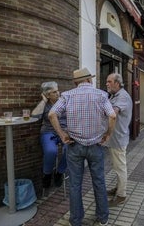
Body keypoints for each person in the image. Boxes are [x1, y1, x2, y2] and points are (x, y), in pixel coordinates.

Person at [48, 67, 116, 226]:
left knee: (75, 184)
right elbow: (112, 116)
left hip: (74, 146)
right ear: (89, 80)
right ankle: (103, 218)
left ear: (76, 82)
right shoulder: (101, 95)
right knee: (99, 182)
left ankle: (76, 220)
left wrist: (62, 134)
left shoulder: (67, 95)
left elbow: (52, 114)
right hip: (96, 145)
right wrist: (108, 134)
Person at [104, 73, 132, 207]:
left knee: (120, 167)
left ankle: (121, 195)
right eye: (107, 82)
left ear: (117, 83)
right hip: (115, 138)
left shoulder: (122, 96)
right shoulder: (114, 95)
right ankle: (118, 187)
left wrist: (108, 133)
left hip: (117, 138)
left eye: (109, 81)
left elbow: (113, 113)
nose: (107, 84)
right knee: (117, 166)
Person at [32, 81, 67, 188]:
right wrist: (43, 100)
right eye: (54, 92)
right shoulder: (45, 105)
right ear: (47, 95)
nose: (58, 94)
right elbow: (34, 117)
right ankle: (47, 174)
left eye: (58, 91)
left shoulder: (64, 102)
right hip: (48, 132)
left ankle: (59, 172)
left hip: (64, 131)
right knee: (51, 151)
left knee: (71, 149)